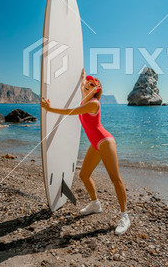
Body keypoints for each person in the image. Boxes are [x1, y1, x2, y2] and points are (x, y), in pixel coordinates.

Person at [40, 69, 130, 235]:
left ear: (96, 89)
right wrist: (82, 77)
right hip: (95, 143)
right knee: (84, 175)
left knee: (115, 178)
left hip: (105, 141)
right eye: (86, 83)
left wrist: (50, 108)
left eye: (91, 84)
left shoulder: (93, 103)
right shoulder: (85, 99)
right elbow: (83, 85)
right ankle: (95, 204)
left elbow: (70, 113)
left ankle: (125, 217)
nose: (87, 85)